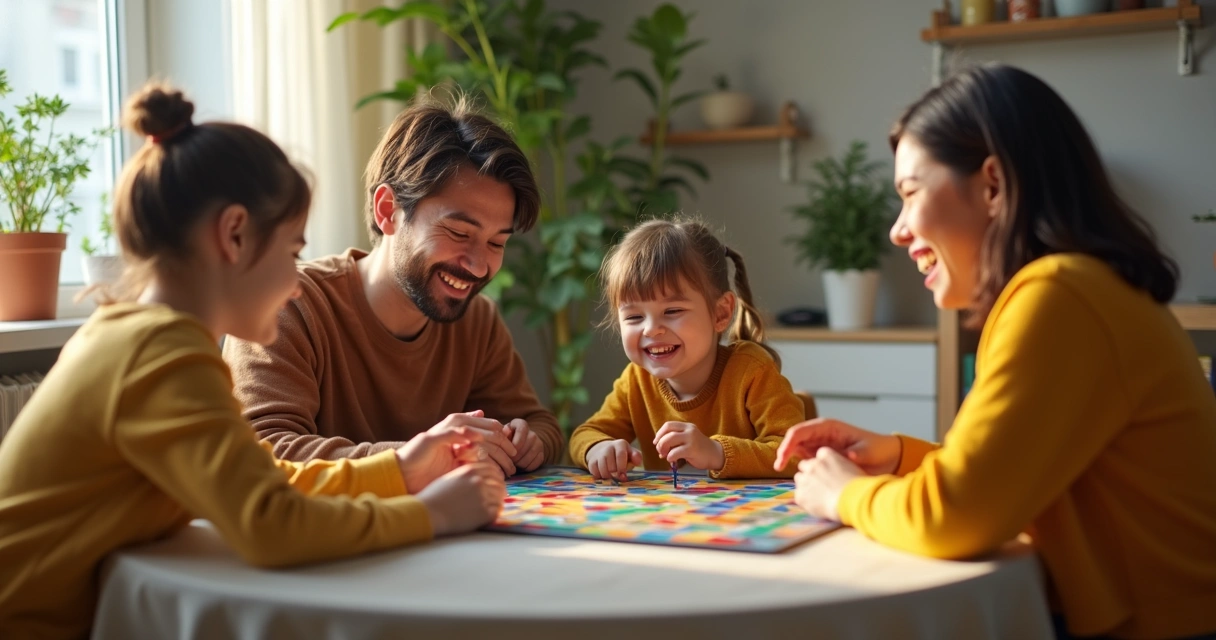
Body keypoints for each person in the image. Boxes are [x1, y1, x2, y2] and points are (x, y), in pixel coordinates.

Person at [0, 85, 507, 640]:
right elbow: (270, 525)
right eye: (291, 252)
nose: (295, 284)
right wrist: (433, 515)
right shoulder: (161, 355)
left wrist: (402, 469)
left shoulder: (138, 336)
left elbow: (260, 478)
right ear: (235, 234)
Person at [775, 64, 1216, 640]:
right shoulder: (1080, 288)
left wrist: (846, 495)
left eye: (910, 193)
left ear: (992, 185)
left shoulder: (1059, 295)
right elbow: (1001, 478)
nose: (898, 231)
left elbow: (956, 517)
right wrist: (898, 456)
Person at [222, 98, 562, 476]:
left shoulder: (477, 321)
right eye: (458, 232)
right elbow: (262, 449)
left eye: (497, 242)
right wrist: (420, 456)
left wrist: (526, 441)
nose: (479, 265)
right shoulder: (288, 305)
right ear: (388, 210)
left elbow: (539, 423)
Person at [569, 218, 806, 481]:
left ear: (721, 312)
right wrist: (597, 449)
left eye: (672, 311)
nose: (651, 330)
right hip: (673, 520)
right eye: (634, 317)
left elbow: (798, 454)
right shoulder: (636, 380)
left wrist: (717, 452)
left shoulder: (752, 372)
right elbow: (585, 434)